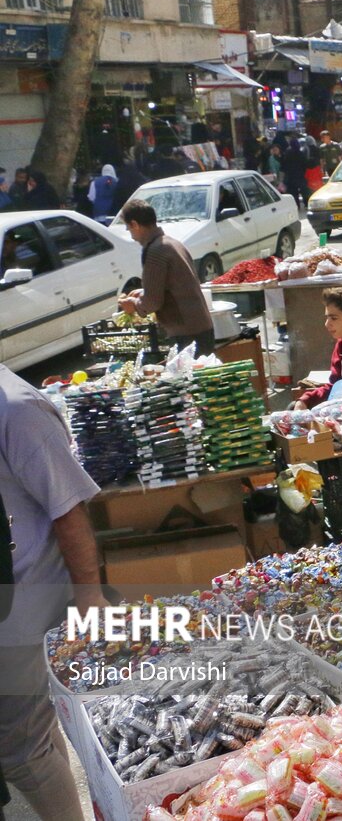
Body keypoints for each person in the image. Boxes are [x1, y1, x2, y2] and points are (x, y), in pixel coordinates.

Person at [0, 363, 107, 821]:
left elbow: (68, 510)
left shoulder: (17, 410)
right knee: (35, 737)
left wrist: (90, 600)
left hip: (24, 611)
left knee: (18, 750)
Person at [117, 199, 215, 354]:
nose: (132, 237)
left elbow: (153, 302)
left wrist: (133, 304)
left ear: (135, 224)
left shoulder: (157, 250)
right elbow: (174, 285)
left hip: (187, 333)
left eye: (129, 229)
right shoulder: (172, 243)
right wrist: (143, 293)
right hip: (199, 326)